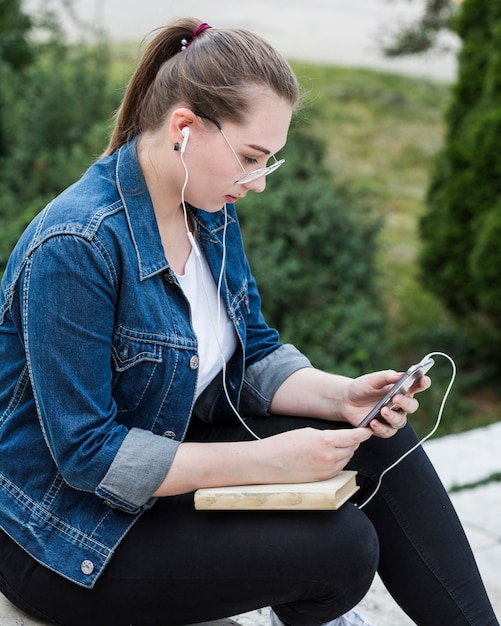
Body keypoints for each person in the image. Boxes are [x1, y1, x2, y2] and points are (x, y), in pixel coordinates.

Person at [0, 16, 497, 626]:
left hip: (165, 476)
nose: (257, 183)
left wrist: (341, 396)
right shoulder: (77, 245)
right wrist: (272, 462)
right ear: (184, 128)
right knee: (341, 547)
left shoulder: (206, 207)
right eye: (251, 158)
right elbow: (88, 455)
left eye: (270, 162)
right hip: (66, 538)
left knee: (382, 444)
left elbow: (252, 351)